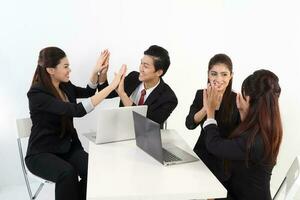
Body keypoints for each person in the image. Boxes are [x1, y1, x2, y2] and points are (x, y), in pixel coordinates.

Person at [25, 47, 125, 200]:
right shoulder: (37, 94)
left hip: (67, 147)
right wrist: (112, 86)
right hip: (41, 153)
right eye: (65, 67)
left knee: (93, 169)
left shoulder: (64, 85)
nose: (69, 70)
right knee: (67, 173)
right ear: (51, 70)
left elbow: (89, 92)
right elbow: (78, 110)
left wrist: (96, 71)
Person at [203, 69, 282, 200]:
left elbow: (214, 145)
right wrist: (244, 112)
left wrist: (210, 111)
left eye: (243, 95)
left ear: (249, 99)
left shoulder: (254, 141)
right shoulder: (268, 127)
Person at [185, 54, 240, 184]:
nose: (218, 79)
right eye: (214, 74)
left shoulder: (237, 100)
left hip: (225, 159)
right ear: (208, 75)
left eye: (224, 74)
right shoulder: (201, 94)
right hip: (202, 153)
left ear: (231, 76)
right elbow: (189, 124)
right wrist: (206, 107)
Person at [97, 45, 178, 128]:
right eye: (141, 63)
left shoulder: (169, 98)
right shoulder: (133, 77)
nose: (141, 68)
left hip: (146, 138)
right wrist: (103, 73)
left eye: (145, 66)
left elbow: (146, 125)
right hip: (121, 131)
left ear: (159, 72)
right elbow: (105, 94)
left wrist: (122, 94)